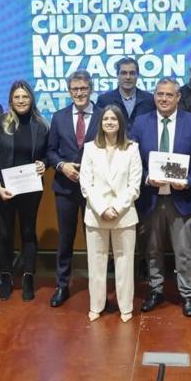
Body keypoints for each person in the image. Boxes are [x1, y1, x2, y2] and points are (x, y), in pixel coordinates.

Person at [132, 77, 191, 317]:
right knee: (152, 249)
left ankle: (187, 294)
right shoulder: (140, 122)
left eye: (169, 95)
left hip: (182, 198)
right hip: (151, 197)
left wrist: (188, 181)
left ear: (178, 97)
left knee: (184, 250)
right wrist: (146, 178)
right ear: (154, 96)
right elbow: (132, 159)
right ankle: (155, 290)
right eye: (159, 94)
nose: (163, 99)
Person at [0, 81, 48, 301]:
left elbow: (47, 154)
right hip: (4, 189)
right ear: (10, 100)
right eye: (17, 97)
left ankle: (29, 277)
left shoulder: (41, 124)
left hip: (30, 189)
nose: (21, 101)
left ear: (31, 99)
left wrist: (44, 164)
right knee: (4, 234)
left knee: (28, 233)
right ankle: (5, 276)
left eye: (25, 97)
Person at [79, 103, 143, 322]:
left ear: (120, 123)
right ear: (100, 123)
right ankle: (96, 305)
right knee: (95, 262)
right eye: (106, 119)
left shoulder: (132, 148)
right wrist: (102, 208)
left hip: (123, 215)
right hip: (96, 214)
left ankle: (126, 307)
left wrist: (116, 208)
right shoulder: (89, 148)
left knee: (125, 263)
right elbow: (86, 183)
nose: (109, 122)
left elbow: (135, 185)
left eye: (114, 119)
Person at [46, 70, 98, 307]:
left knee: (95, 240)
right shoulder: (58, 117)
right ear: (69, 91)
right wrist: (62, 166)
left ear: (90, 89)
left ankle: (97, 288)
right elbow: (50, 150)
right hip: (65, 187)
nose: (79, 93)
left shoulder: (103, 115)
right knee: (66, 239)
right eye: (75, 89)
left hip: (96, 189)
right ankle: (62, 285)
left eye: (83, 88)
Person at [97, 57, 155, 125]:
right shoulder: (104, 100)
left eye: (132, 73)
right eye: (124, 73)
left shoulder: (150, 100)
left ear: (137, 75)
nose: (128, 77)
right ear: (117, 75)